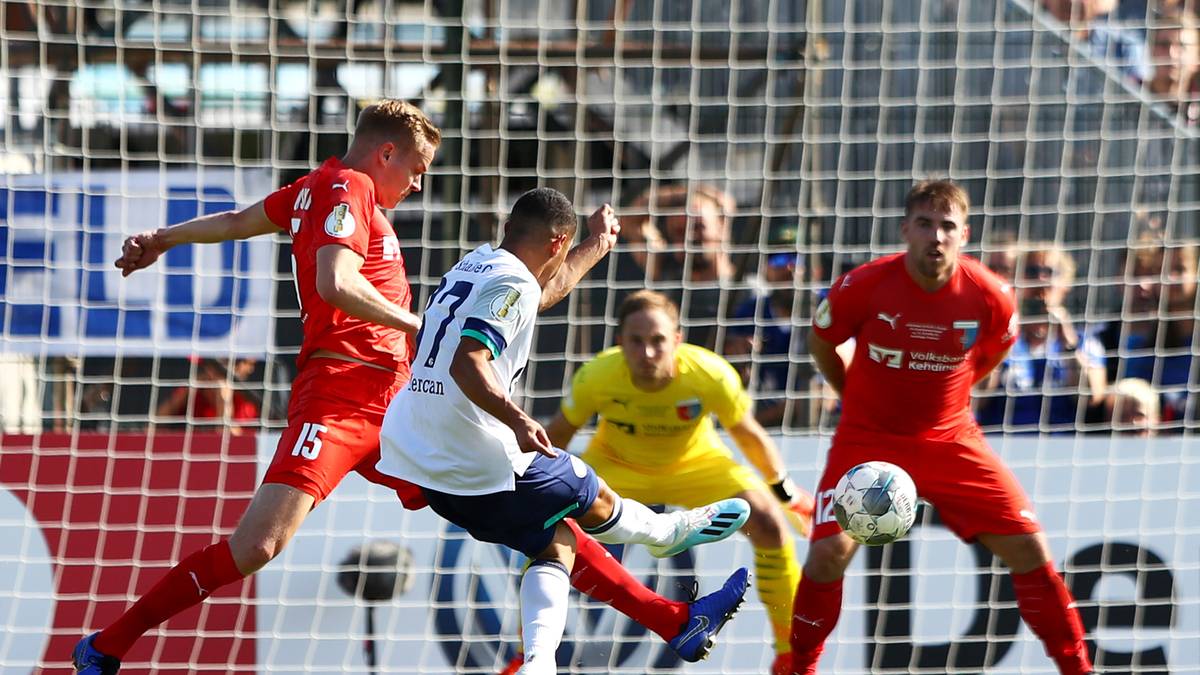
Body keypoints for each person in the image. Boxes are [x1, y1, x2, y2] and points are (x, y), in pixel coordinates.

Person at [73, 103, 749, 674]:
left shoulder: (314, 190)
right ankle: (107, 645)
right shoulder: (346, 191)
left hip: (401, 407)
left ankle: (661, 622)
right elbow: (338, 282)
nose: (419, 186)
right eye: (418, 170)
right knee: (257, 547)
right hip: (341, 396)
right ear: (387, 153)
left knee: (544, 525)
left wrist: (162, 239)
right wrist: (418, 323)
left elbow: (231, 222)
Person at [375, 188, 752, 675]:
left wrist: (595, 244)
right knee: (585, 489)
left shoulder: (478, 264)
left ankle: (539, 663)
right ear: (557, 244)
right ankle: (665, 533)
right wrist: (518, 418)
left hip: (421, 459)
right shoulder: (514, 284)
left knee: (555, 543)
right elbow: (468, 362)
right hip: (476, 457)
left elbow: (541, 293)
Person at [783, 180, 1092, 675]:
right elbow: (823, 343)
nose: (936, 236)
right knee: (826, 555)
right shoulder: (863, 285)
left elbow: (992, 352)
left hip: (951, 439)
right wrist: (851, 399)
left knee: (1030, 547)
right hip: (868, 440)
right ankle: (797, 668)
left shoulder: (991, 296)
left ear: (964, 234)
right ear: (906, 229)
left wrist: (951, 400)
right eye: (925, 224)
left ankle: (1078, 669)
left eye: (947, 226)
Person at [544, 289, 814, 674]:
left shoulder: (709, 373)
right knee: (550, 532)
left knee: (769, 522)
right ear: (620, 341)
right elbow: (559, 434)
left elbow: (748, 434)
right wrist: (528, 488)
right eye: (636, 342)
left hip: (695, 465)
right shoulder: (597, 377)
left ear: (677, 339)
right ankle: (530, 652)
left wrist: (784, 493)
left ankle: (791, 656)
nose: (648, 352)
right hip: (618, 468)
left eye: (658, 341)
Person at [975, 243, 1108, 432]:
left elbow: (1091, 398)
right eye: (1032, 271)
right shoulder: (996, 335)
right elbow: (978, 400)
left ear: (1066, 284)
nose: (1040, 279)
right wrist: (1003, 338)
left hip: (1059, 448)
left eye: (1050, 272)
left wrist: (1068, 345)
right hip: (1002, 444)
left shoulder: (1084, 342)